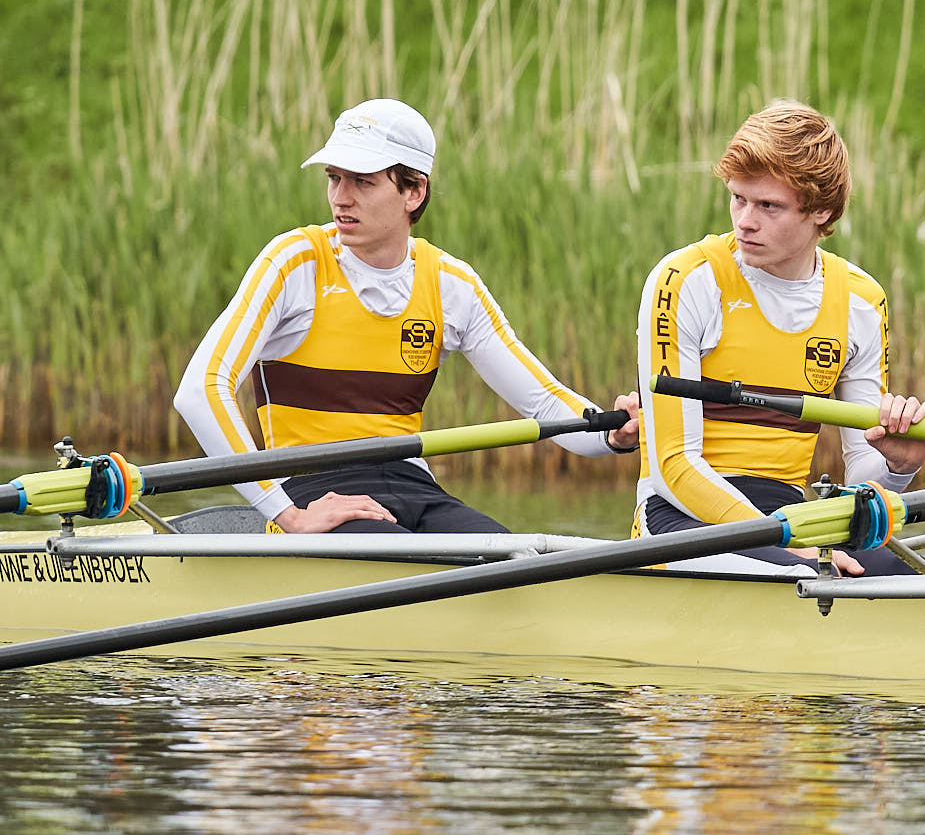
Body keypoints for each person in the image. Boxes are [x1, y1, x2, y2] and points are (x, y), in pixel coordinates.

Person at [175, 99, 639, 533]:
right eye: (334, 178)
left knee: (512, 556)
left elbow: (545, 404)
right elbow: (200, 391)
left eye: (362, 181)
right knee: (406, 555)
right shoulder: (295, 263)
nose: (341, 198)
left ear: (414, 191)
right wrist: (288, 515)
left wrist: (612, 433)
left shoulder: (451, 284)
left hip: (413, 485)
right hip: (311, 489)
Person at [633, 103, 925, 576]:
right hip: (678, 513)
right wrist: (790, 547)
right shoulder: (686, 280)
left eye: (768, 206)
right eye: (738, 198)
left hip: (789, 513)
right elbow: (675, 465)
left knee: (900, 579)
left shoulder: (860, 301)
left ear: (822, 210)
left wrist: (898, 467)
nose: (745, 221)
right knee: (807, 574)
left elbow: (861, 473)